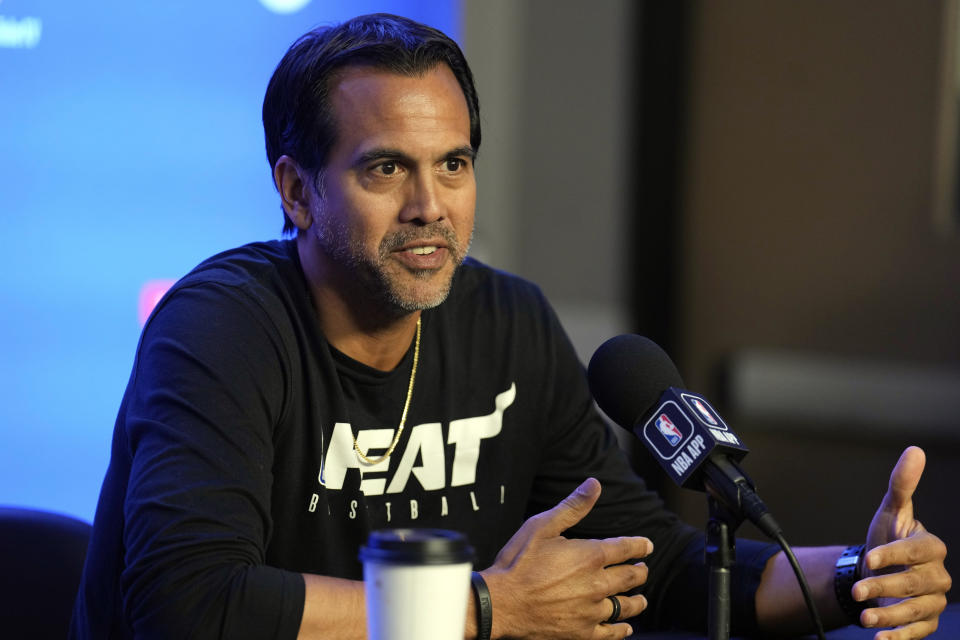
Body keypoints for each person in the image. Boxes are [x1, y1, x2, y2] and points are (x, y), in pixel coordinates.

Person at [70, 13, 950, 640]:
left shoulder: (510, 322)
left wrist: (855, 580)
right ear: (297, 190)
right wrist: (485, 610)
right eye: (386, 168)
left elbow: (659, 566)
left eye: (453, 164)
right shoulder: (222, 326)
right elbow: (187, 605)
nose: (430, 206)